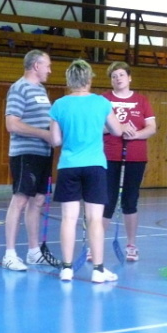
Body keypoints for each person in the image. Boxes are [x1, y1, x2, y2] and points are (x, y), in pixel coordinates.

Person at [49, 59, 124, 283]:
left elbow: (55, 140)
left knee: (68, 218)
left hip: (69, 166)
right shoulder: (101, 103)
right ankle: (98, 270)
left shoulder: (59, 105)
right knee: (95, 219)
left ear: (69, 80)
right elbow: (117, 131)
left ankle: (67, 268)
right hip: (95, 166)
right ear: (89, 79)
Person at [2, 50, 54, 271]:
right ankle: (9, 254)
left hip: (44, 153)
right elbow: (12, 124)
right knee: (20, 200)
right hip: (25, 154)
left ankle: (34, 252)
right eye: (47, 66)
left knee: (38, 200)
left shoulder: (41, 90)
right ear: (36, 66)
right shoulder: (19, 88)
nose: (49, 70)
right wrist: (43, 134)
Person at [102, 62, 157, 262]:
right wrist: (117, 129)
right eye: (114, 76)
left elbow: (151, 128)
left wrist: (135, 134)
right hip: (109, 156)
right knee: (106, 201)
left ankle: (131, 245)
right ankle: (95, 245)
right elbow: (96, 127)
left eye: (121, 75)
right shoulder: (104, 100)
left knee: (130, 201)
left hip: (135, 157)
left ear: (129, 77)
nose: (118, 79)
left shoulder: (141, 100)